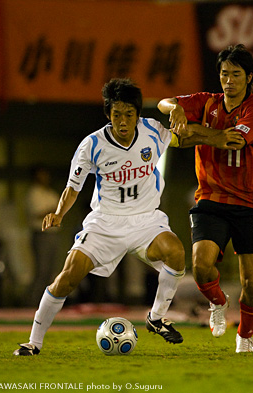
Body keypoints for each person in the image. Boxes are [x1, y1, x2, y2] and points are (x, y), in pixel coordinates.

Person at [14, 78, 186, 356]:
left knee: (176, 253)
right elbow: (73, 187)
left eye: (129, 114)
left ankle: (156, 318)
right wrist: (59, 213)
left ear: (137, 115)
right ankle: (34, 342)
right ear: (108, 115)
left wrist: (219, 138)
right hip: (105, 221)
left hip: (145, 219)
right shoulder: (92, 144)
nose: (123, 121)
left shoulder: (152, 130)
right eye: (116, 114)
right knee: (68, 277)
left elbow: (186, 137)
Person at [158, 44, 253, 353]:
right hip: (211, 197)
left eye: (236, 74)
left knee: (252, 280)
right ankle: (218, 303)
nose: (229, 80)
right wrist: (176, 109)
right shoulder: (207, 102)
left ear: (249, 77)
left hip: (250, 202)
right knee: (201, 265)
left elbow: (233, 140)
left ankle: (245, 335)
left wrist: (196, 133)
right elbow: (164, 103)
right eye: (224, 74)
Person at [26, 166, 61, 305]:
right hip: (41, 234)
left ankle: (46, 303)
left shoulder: (51, 193)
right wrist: (53, 210)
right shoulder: (33, 193)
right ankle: (32, 301)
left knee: (51, 271)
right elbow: (38, 213)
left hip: (54, 234)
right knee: (42, 270)